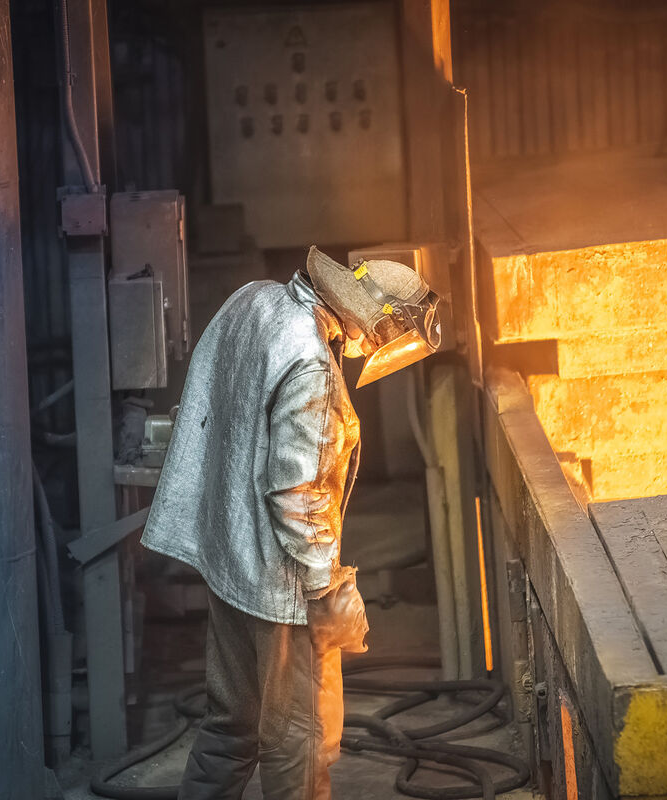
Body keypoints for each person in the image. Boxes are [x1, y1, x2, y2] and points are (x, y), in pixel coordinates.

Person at [141, 246, 442, 799]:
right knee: (299, 741)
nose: (374, 348)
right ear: (373, 319)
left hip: (229, 563)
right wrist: (330, 587)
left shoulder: (255, 301)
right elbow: (296, 495)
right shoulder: (312, 365)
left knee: (230, 724)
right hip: (282, 589)